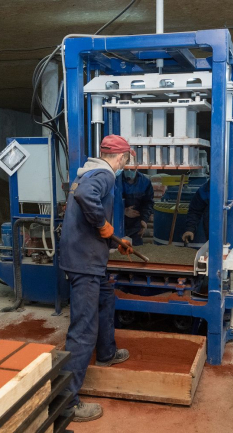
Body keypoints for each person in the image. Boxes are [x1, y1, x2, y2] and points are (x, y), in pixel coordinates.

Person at [59, 134, 136, 422]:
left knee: (106, 299)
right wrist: (103, 224)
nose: (125, 164)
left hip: (87, 255)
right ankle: (67, 404)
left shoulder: (88, 170)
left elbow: (85, 214)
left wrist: (114, 240)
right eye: (126, 159)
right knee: (83, 330)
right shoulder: (104, 175)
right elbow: (85, 196)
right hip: (84, 262)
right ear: (121, 157)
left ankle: (106, 353)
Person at [182, 179, 233, 311]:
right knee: (213, 263)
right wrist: (190, 229)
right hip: (214, 230)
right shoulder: (205, 189)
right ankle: (213, 294)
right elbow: (195, 211)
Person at [122, 169, 154, 246]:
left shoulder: (145, 182)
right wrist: (123, 211)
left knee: (136, 248)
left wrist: (144, 220)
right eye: (126, 169)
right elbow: (109, 202)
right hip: (119, 223)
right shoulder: (115, 180)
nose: (129, 171)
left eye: (132, 169)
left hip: (136, 225)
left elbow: (148, 203)